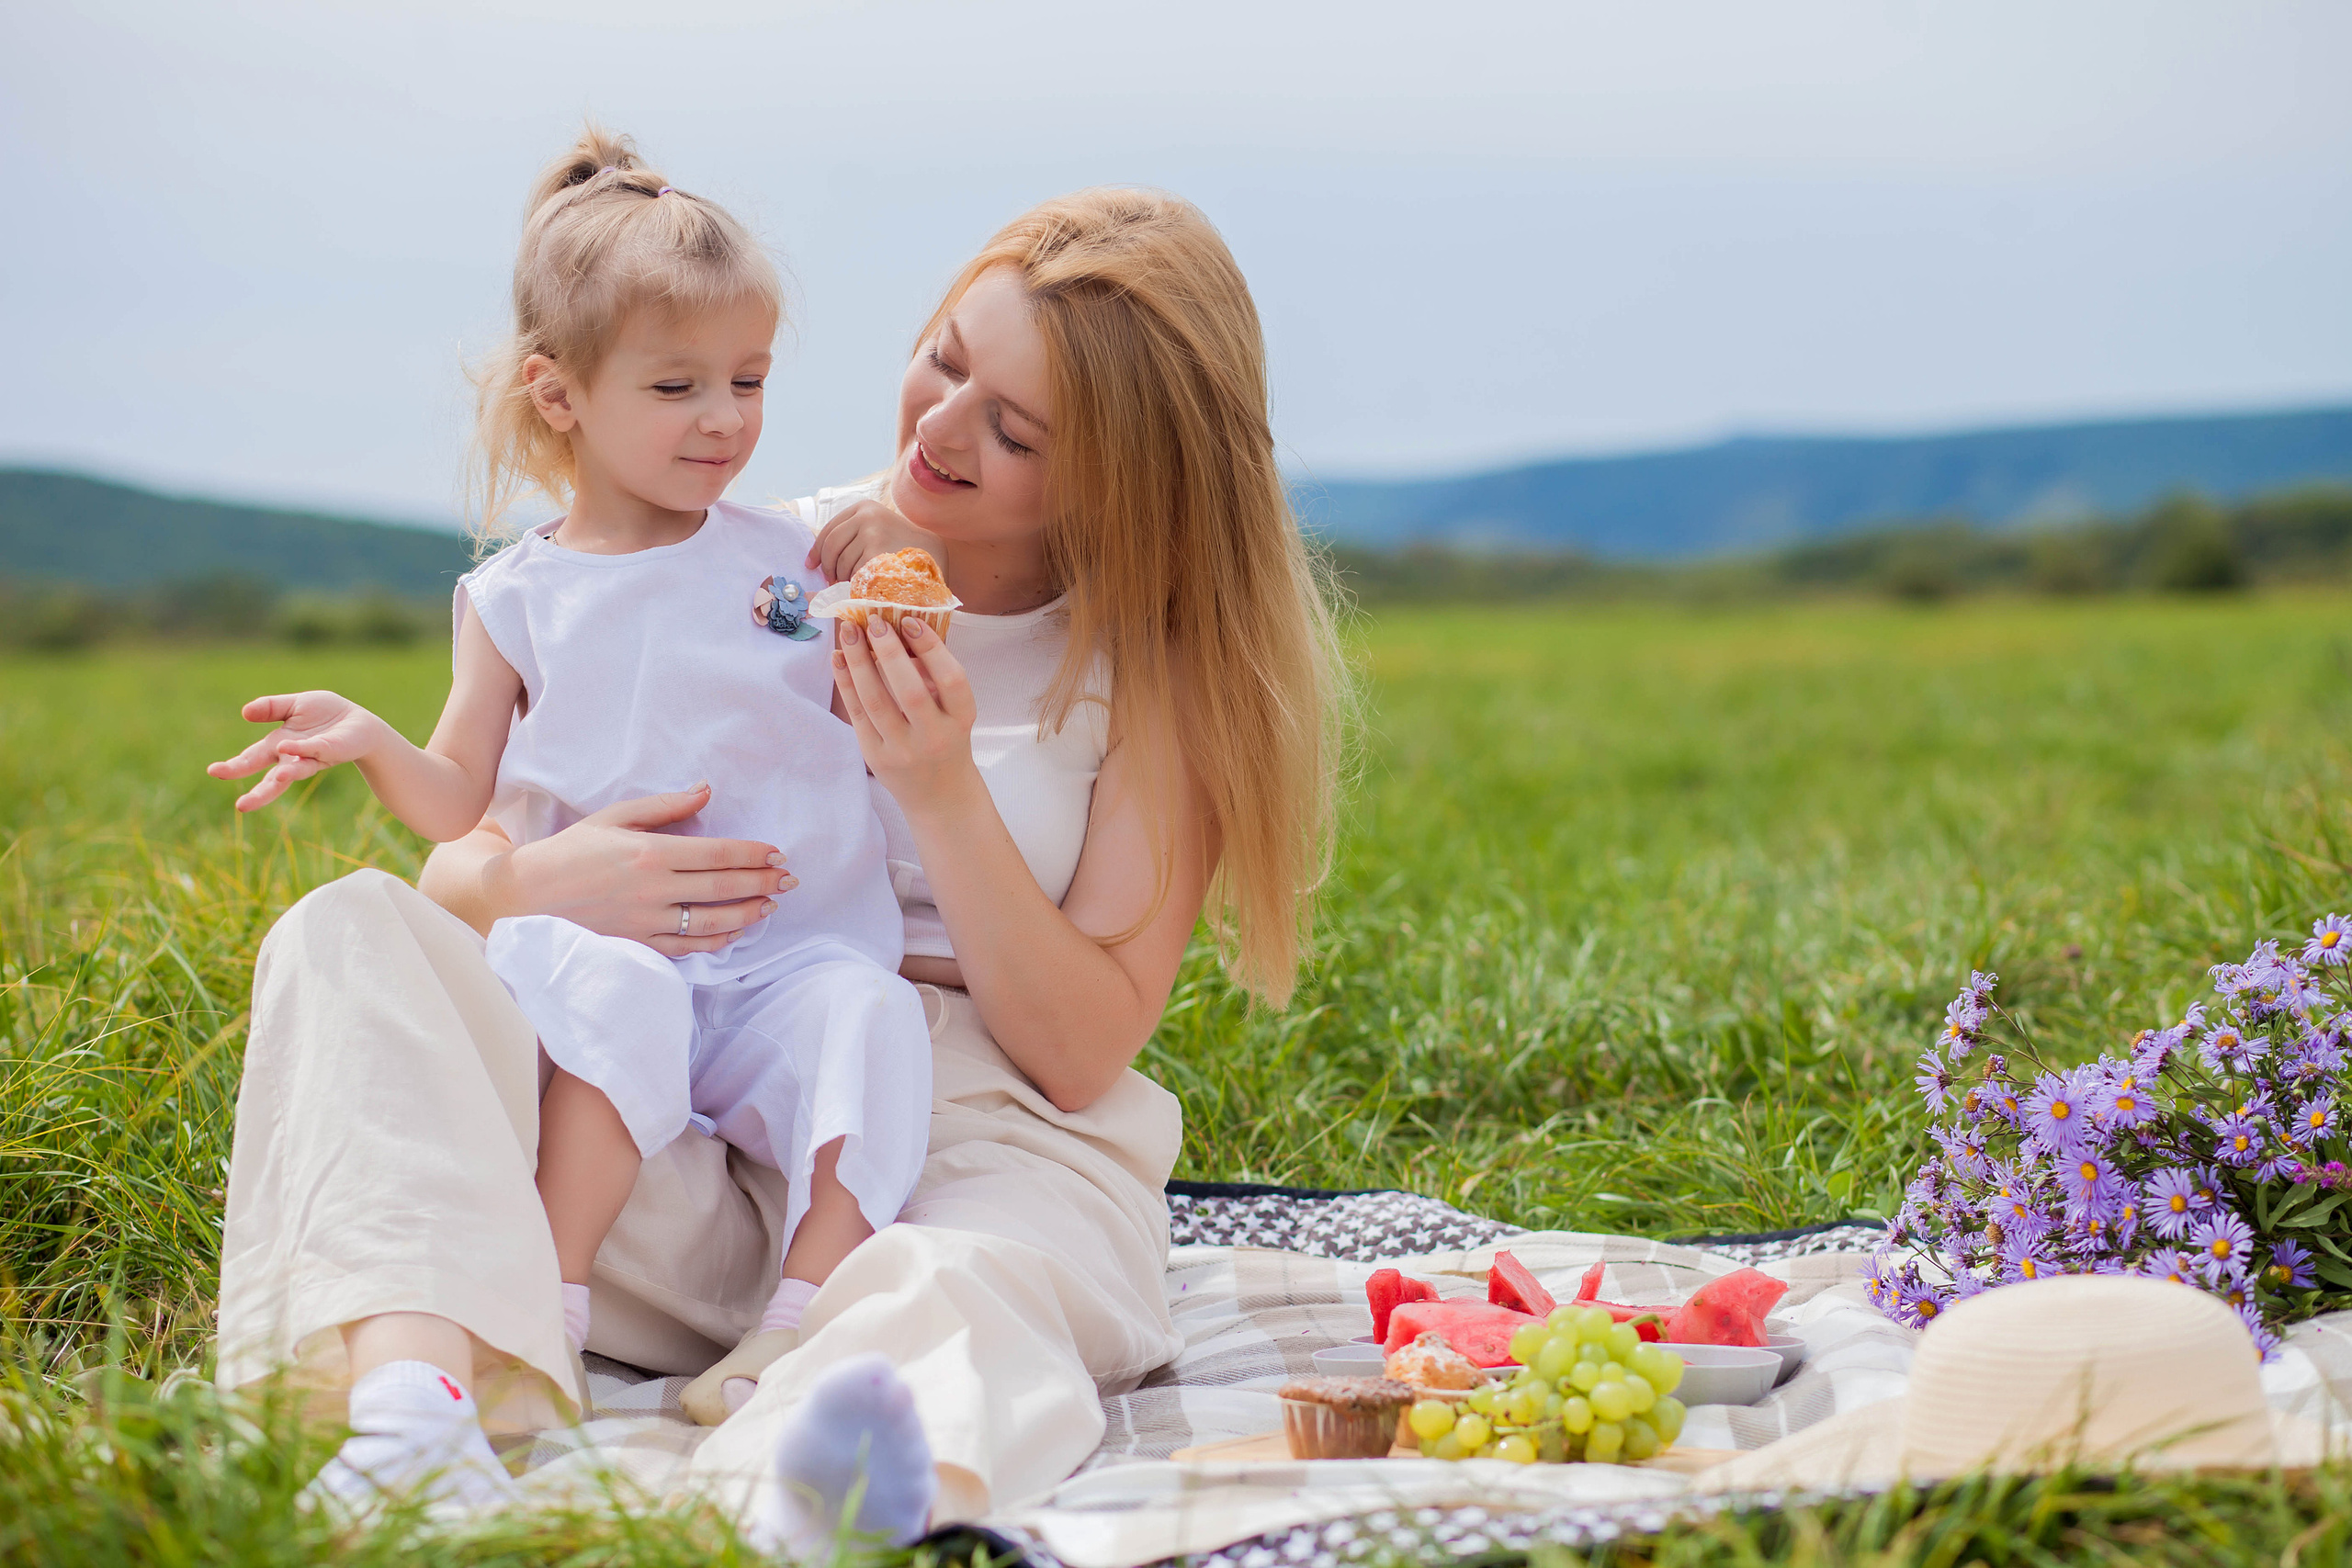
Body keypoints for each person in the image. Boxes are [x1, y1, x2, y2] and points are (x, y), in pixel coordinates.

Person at [214, 184, 1343, 1550]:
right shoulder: (766, 553)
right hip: (671, 1095)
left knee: (957, 1295)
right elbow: (462, 876)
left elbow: (1081, 1052)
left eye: (1015, 430)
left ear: (1128, 474)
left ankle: (769, 1517)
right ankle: (412, 1421)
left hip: (977, 1139)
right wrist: (540, 881)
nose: (937, 431)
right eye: (943, 359)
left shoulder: (1151, 674)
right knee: (348, 933)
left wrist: (938, 787)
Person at [207, 128, 933, 1483]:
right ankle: (553, 1300)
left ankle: (800, 1322)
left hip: (787, 961)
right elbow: (456, 802)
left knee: (875, 1023)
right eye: (677, 386)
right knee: (619, 1002)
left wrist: (893, 560)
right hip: (613, 954)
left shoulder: (791, 559)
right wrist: (372, 741)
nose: (724, 419)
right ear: (559, 394)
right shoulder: (518, 596)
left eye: (749, 381)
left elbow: (882, 689)